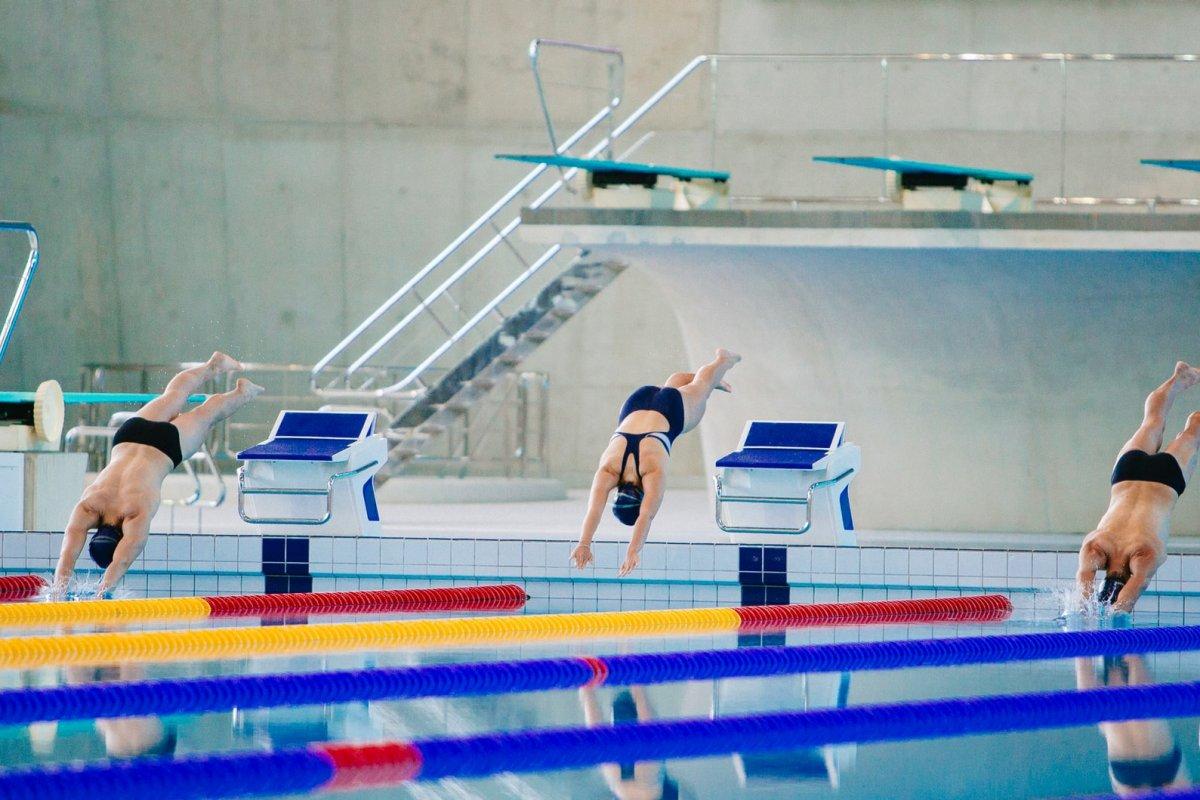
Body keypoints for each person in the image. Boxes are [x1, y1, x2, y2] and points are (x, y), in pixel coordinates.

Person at [52, 353, 263, 594]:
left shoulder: (135, 512)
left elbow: (121, 560)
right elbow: (66, 554)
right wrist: (59, 588)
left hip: (165, 448)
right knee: (173, 395)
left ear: (120, 538)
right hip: (129, 435)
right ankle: (211, 366)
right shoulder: (89, 505)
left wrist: (101, 593)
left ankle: (242, 393)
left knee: (207, 414)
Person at [572, 349, 740, 576]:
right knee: (676, 385)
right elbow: (594, 510)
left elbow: (646, 515)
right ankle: (702, 382)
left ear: (640, 497)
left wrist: (634, 550)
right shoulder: (608, 470)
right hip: (635, 403)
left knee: (703, 385)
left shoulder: (652, 471)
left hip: (671, 412)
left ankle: (723, 361)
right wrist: (584, 543)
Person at [1078, 362, 1200, 611]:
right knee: (1152, 421)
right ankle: (1178, 379)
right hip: (1126, 474)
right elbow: (1083, 590)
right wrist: (1082, 609)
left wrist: (1116, 614)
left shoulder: (1144, 555)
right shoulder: (1096, 547)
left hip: (1165, 482)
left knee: (1194, 430)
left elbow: (1125, 603)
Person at [1075, 654, 1190, 795]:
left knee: (1135, 697)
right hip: (1132, 768)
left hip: (1151, 763)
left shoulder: (1105, 709)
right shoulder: (1103, 711)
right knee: (1094, 701)